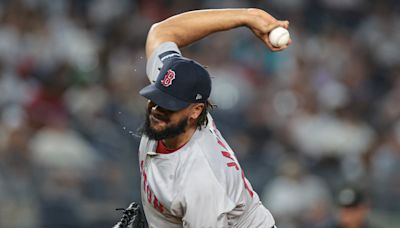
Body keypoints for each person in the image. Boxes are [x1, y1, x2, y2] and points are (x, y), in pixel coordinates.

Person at [131, 8, 290, 227]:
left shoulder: (201, 179)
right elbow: (163, 32)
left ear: (195, 111)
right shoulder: (172, 84)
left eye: (168, 105)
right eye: (156, 97)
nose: (157, 108)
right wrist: (247, 17)